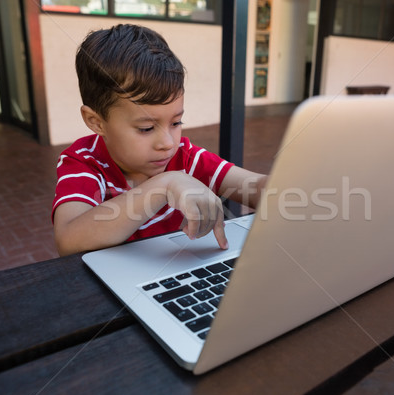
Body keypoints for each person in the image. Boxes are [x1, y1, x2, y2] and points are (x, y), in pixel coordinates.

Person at [52, 24, 267, 256]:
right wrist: (163, 186)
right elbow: (68, 239)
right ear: (96, 122)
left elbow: (256, 188)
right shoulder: (84, 164)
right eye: (146, 128)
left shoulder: (184, 157)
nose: (167, 143)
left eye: (176, 123)